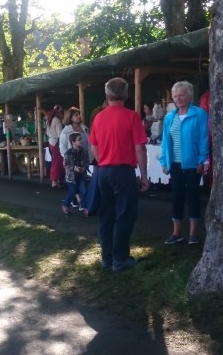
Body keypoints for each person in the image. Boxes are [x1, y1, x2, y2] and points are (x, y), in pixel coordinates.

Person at [88, 77, 149, 271]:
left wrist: (104, 161)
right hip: (123, 171)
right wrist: (144, 175)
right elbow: (140, 149)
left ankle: (107, 257)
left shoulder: (99, 118)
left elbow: (94, 147)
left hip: (103, 171)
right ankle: (120, 258)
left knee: (106, 215)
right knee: (125, 214)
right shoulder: (132, 117)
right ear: (126, 94)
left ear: (107, 95)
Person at [159, 80, 209, 245]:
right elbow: (165, 141)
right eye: (175, 96)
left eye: (181, 95)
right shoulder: (169, 117)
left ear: (189, 96)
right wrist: (164, 161)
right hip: (175, 163)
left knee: (193, 196)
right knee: (176, 196)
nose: (178, 99)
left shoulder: (200, 114)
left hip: (193, 163)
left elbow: (204, 139)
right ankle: (177, 232)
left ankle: (193, 233)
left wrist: (202, 159)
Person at [61, 132, 90, 214]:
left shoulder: (84, 151)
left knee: (84, 190)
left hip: (81, 175)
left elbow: (87, 162)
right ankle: (66, 205)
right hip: (71, 177)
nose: (81, 141)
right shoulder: (68, 153)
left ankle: (84, 207)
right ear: (73, 142)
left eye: (81, 139)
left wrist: (84, 168)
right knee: (72, 192)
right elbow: (66, 165)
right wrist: (74, 168)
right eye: (79, 139)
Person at [44, 104, 64, 187]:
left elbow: (47, 132)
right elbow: (60, 134)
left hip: (51, 142)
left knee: (55, 161)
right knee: (57, 162)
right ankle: (54, 181)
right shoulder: (57, 120)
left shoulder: (49, 119)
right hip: (56, 143)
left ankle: (56, 180)